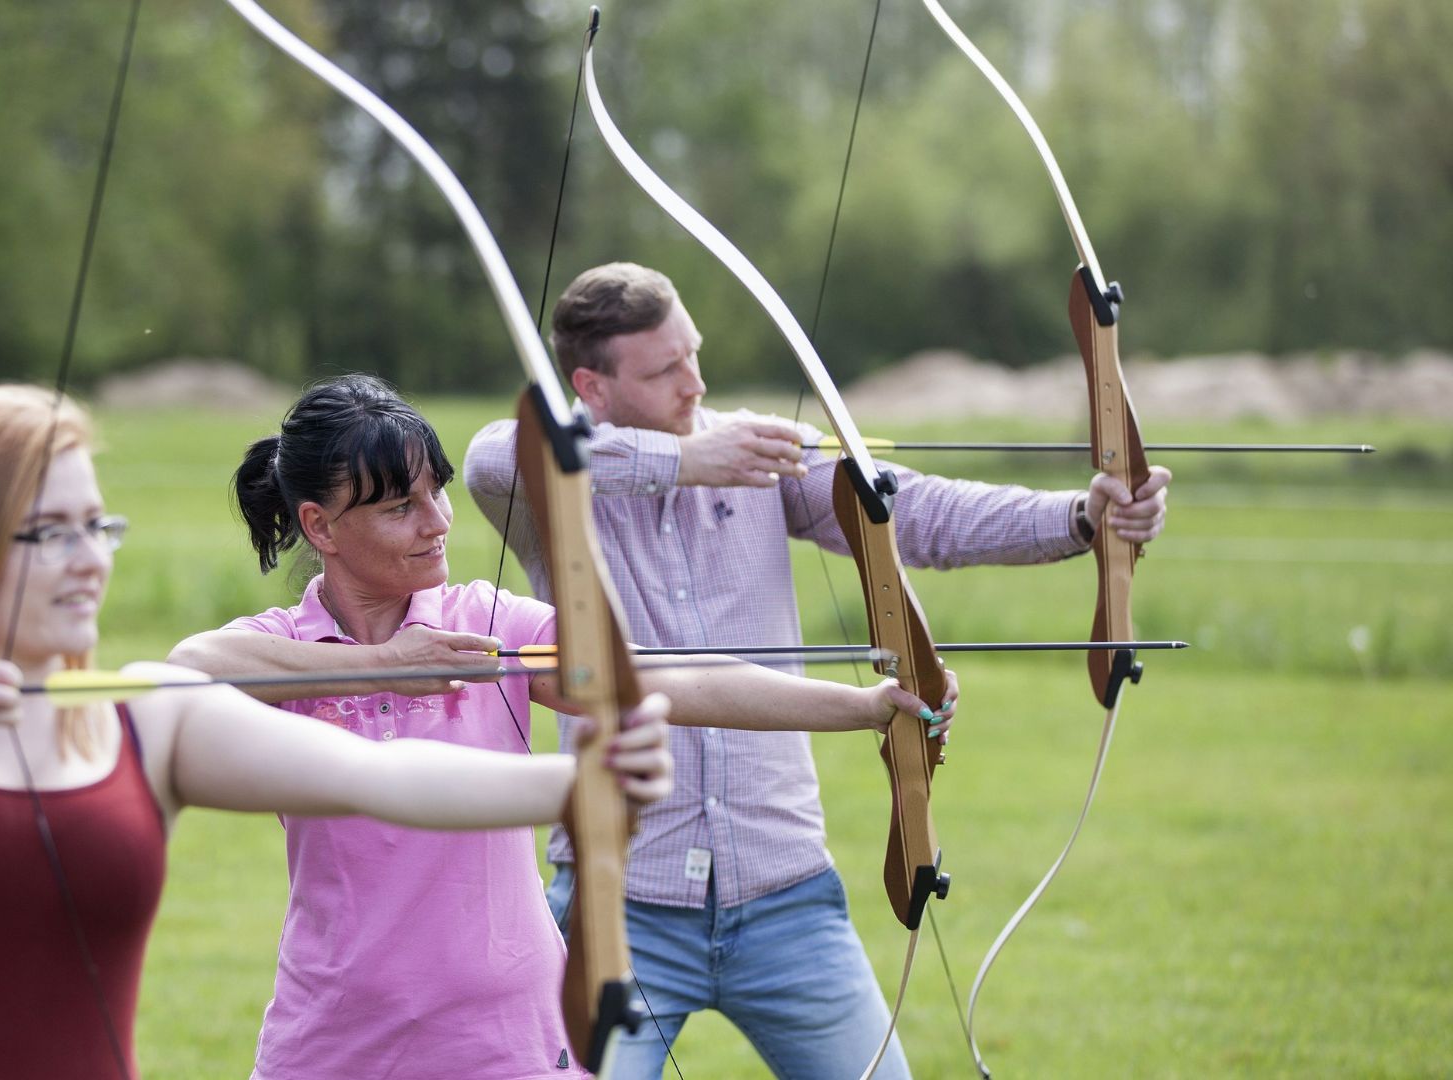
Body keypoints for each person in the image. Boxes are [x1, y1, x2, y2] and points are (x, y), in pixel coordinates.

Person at [0, 384, 677, 1080]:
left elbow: (378, 779)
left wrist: (583, 781)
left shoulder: (142, 714)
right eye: (47, 531)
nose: (90, 556)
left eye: (95, 524)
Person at [463, 261, 1174, 1079]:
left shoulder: (763, 453)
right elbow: (494, 455)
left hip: (786, 899)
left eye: (692, 353)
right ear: (591, 385)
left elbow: (914, 510)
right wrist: (686, 462)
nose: (695, 383)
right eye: (664, 371)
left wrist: (1081, 516)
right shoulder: (552, 482)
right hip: (620, 907)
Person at [167, 373, 955, 1080]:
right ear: (321, 526)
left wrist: (861, 707)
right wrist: (380, 665)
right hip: (334, 1043)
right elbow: (187, 668)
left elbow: (667, 677)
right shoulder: (283, 648)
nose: (437, 521)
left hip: (509, 1042)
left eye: (435, 492)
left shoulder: (489, 624)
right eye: (399, 506)